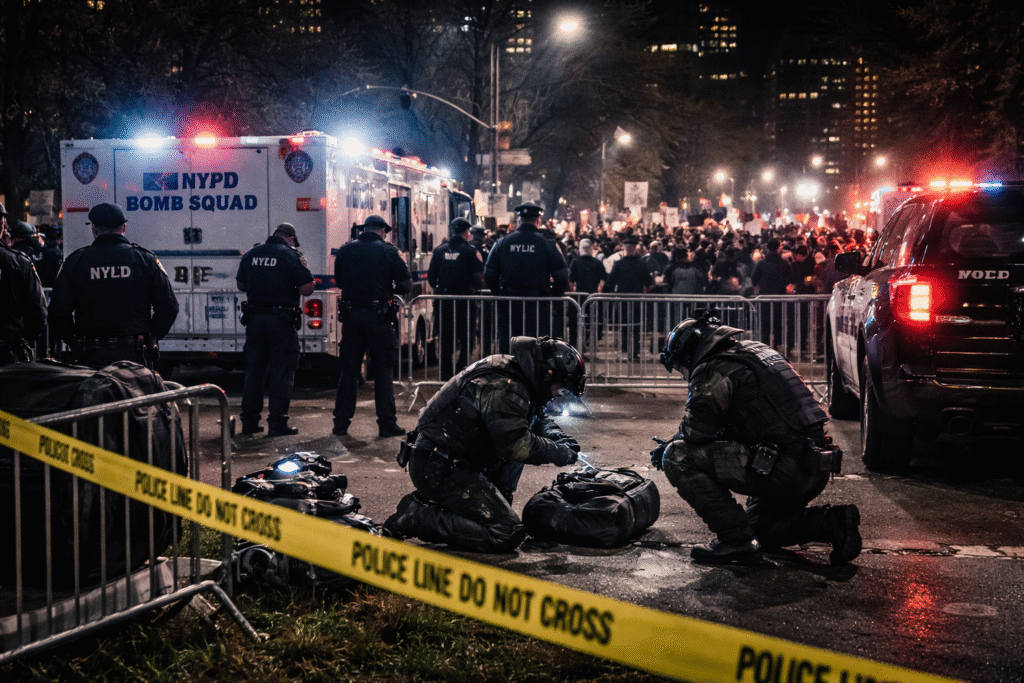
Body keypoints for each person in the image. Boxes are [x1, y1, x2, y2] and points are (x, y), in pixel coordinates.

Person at [652, 310, 860, 565]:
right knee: (760, 532)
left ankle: (734, 541)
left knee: (677, 456)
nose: (684, 374)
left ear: (689, 355)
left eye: (681, 367)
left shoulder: (712, 367)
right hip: (814, 467)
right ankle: (833, 522)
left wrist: (667, 446)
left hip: (783, 468)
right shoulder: (756, 351)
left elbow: (696, 431)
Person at [383, 336, 586, 552]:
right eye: (559, 388)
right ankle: (417, 517)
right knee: (505, 532)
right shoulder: (507, 387)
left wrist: (558, 437)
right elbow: (517, 444)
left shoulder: (519, 374)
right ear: (547, 376)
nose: (557, 395)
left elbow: (533, 419)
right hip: (438, 466)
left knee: (499, 503)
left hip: (453, 459)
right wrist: (559, 452)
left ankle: (452, 506)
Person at [48, 203, 179, 368]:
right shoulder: (145, 260)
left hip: (90, 354)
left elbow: (58, 311)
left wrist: (73, 340)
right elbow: (169, 306)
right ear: (123, 228)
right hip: (135, 353)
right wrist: (153, 335)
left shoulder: (76, 262)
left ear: (94, 230)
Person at [333, 214, 412, 438]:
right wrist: (387, 286)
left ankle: (341, 424)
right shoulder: (389, 251)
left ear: (364, 229)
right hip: (379, 319)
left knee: (348, 372)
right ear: (382, 231)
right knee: (383, 372)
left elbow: (339, 281)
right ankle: (387, 424)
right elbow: (405, 285)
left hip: (351, 317)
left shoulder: (345, 250)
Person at [236, 223, 315, 436]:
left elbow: (241, 285)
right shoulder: (290, 255)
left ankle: (249, 423)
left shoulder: (251, 254)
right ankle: (278, 423)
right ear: (289, 238)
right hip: (280, 322)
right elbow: (307, 289)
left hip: (254, 321)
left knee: (254, 372)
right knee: (282, 372)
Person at [484, 202, 569, 353]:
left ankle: (510, 376)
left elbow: (489, 274)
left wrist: (499, 293)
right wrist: (552, 297)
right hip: (537, 304)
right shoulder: (547, 243)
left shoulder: (502, 243)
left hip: (509, 303)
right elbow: (562, 276)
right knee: (538, 348)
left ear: (518, 221)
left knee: (508, 349)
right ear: (538, 221)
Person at [428, 217, 485, 380]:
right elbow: (478, 278)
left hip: (444, 302)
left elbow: (432, 279)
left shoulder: (439, 250)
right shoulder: (471, 251)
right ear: (467, 233)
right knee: (467, 339)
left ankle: (445, 378)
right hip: (465, 303)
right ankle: (462, 373)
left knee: (445, 341)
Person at [0, 203, 47, 365]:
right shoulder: (19, 262)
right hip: (8, 351)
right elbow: (38, 313)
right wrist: (24, 340)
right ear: (2, 226)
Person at [602, 236, 652, 360]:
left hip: (622, 299)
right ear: (635, 249)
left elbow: (610, 282)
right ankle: (634, 351)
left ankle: (625, 348)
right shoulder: (642, 264)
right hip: (637, 299)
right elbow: (649, 283)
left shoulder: (618, 264)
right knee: (636, 326)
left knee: (624, 325)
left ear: (624, 250)